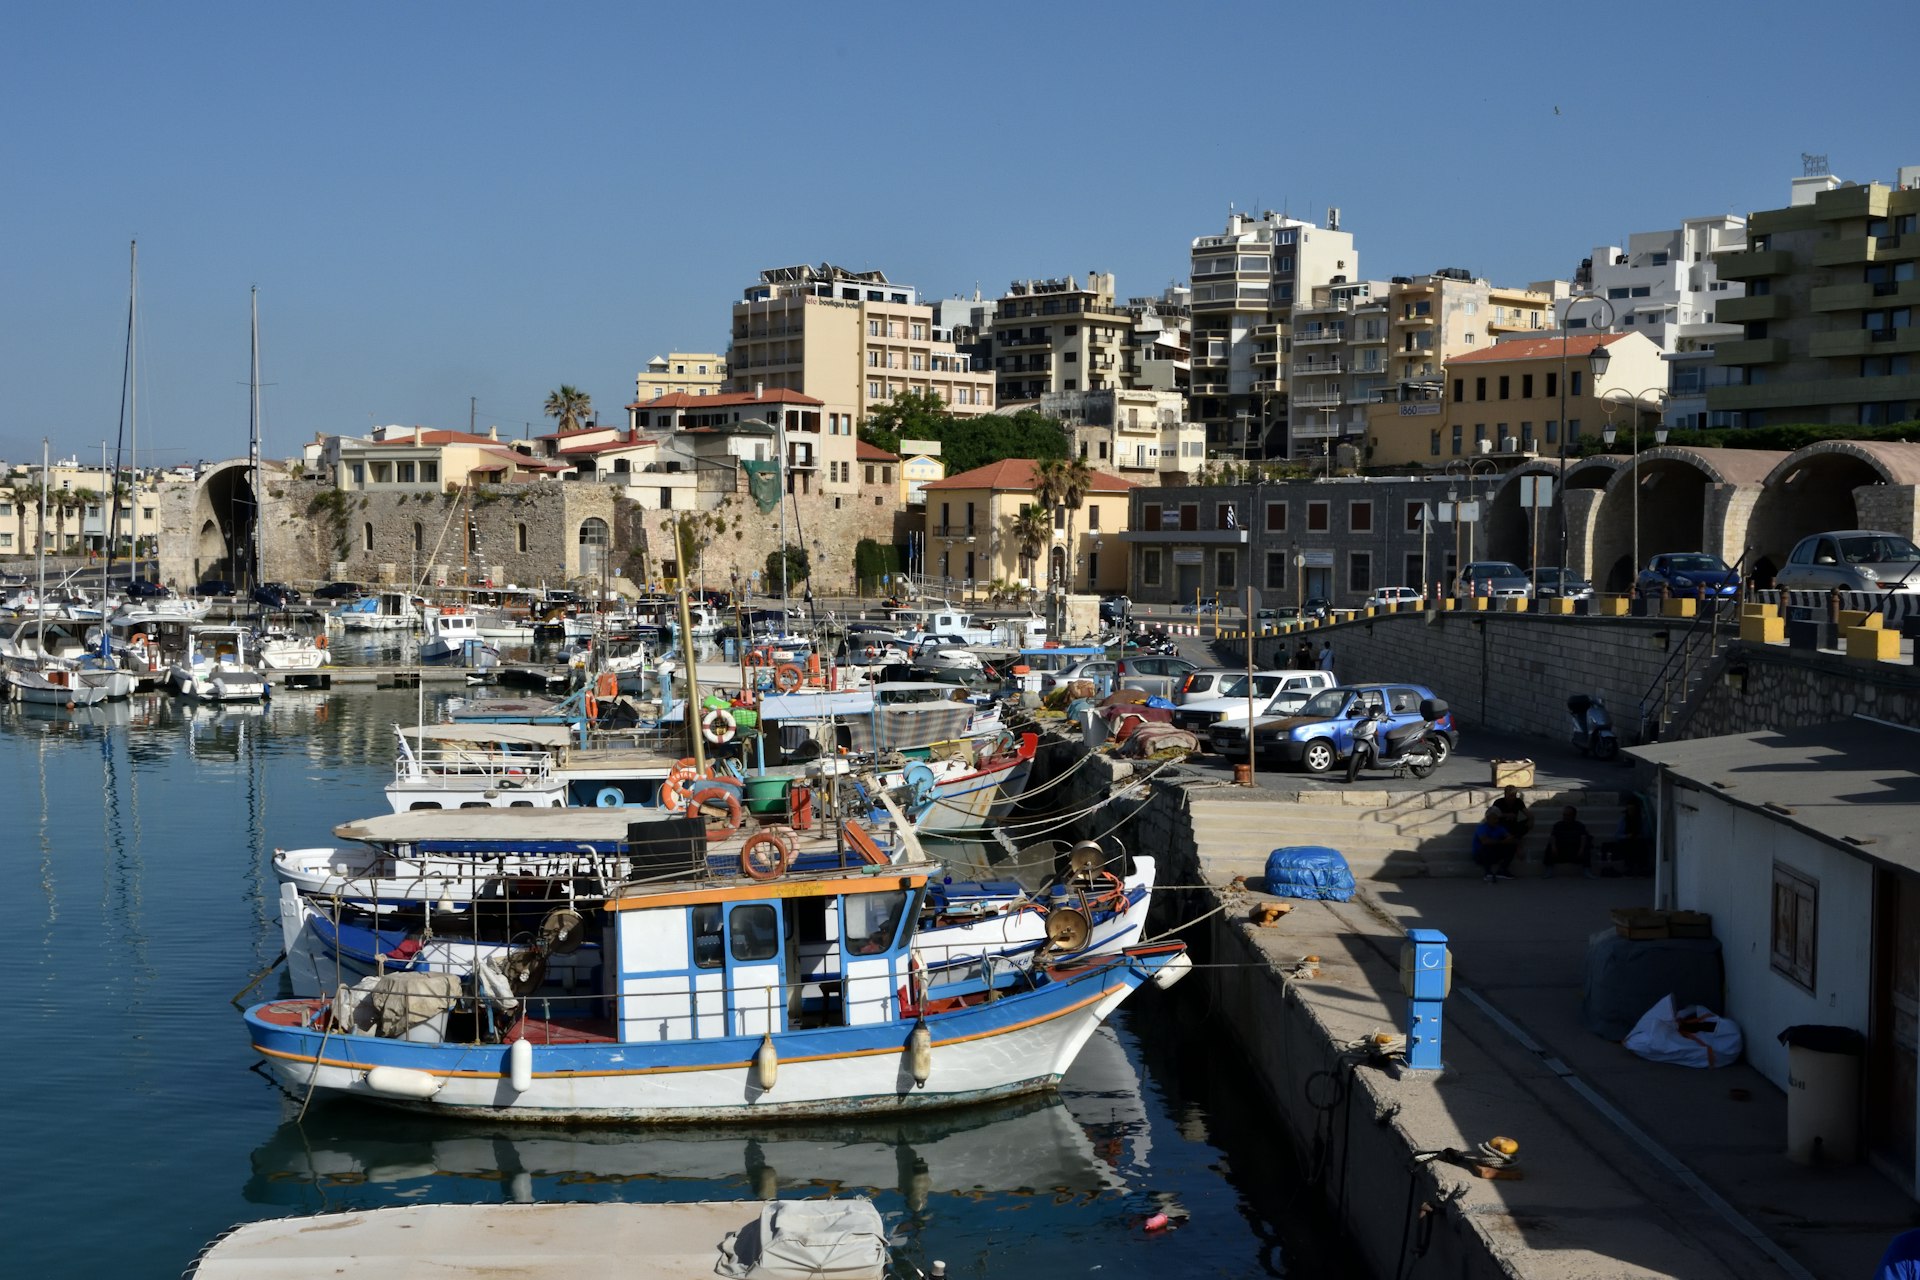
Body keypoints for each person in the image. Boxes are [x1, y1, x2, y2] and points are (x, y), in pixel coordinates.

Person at [1603, 795, 1654, 877]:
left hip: (1640, 840)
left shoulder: (1643, 819)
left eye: (1633, 809)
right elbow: (1617, 835)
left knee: (1641, 844)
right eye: (1629, 809)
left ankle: (1642, 867)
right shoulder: (1624, 819)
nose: (1631, 812)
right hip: (1627, 840)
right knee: (1628, 845)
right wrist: (1626, 836)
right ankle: (1629, 867)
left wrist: (1639, 836)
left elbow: (1647, 834)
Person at [1541, 805, 1593, 878]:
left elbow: (1583, 837)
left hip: (1575, 852)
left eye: (1568, 815)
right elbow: (1552, 836)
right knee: (1550, 847)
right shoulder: (1558, 825)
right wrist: (1553, 847)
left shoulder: (1579, 825)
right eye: (1564, 815)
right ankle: (1549, 870)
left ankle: (1586, 871)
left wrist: (1581, 850)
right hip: (1561, 852)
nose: (1565, 817)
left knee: (1586, 847)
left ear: (1573, 815)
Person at [1472, 808, 1518, 882]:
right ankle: (1488, 872)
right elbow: (1485, 841)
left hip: (1493, 854)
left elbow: (1510, 838)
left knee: (1511, 845)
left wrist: (1510, 840)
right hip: (1480, 856)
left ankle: (1502, 870)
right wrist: (1503, 842)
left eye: (1497, 818)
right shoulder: (1481, 827)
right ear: (1487, 818)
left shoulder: (1499, 828)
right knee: (1487, 846)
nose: (1496, 821)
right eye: (1494, 818)